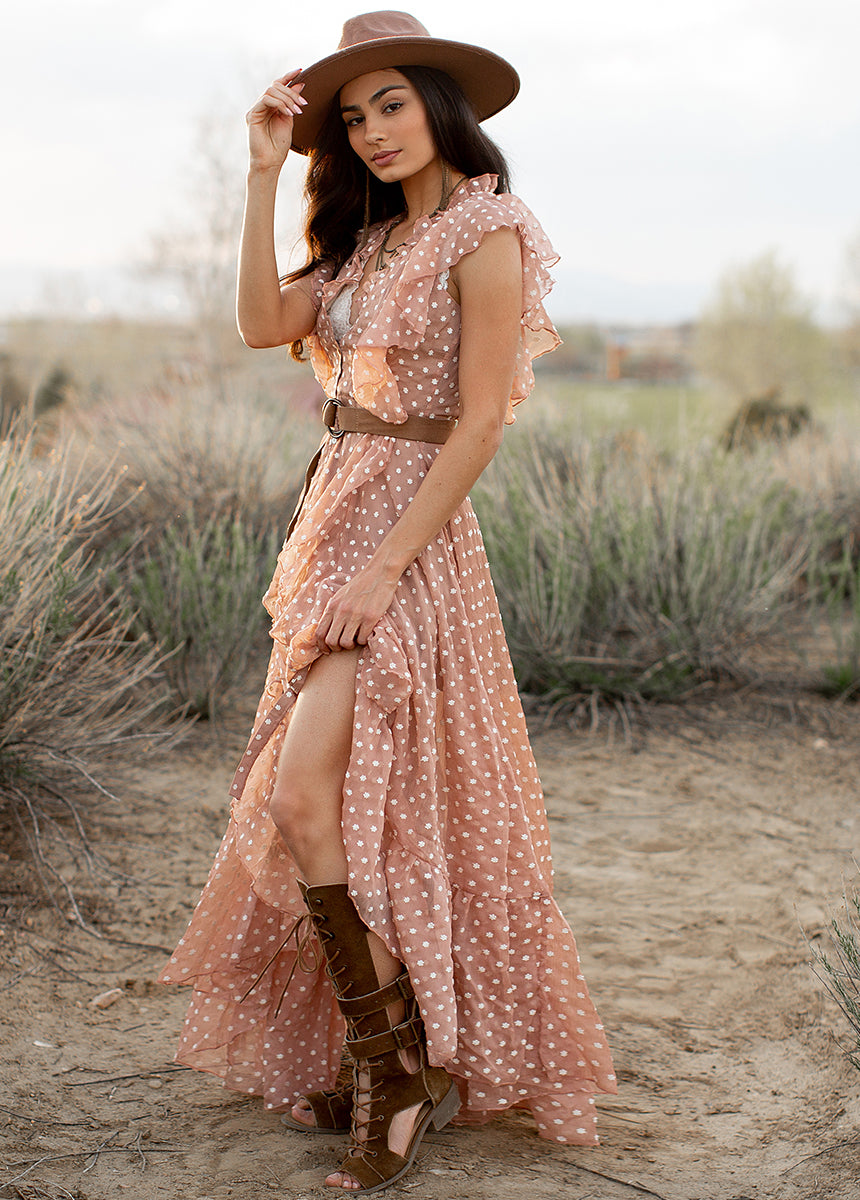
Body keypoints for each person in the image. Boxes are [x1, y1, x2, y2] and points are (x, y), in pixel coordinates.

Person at [159, 11, 616, 1194]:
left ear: (439, 106)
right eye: (350, 119)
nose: (369, 133)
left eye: (389, 106)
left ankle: (394, 1070)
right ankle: (391, 1053)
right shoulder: (362, 249)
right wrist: (262, 171)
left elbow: (474, 427)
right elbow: (263, 324)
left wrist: (384, 569)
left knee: (307, 789)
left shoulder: (484, 226)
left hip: (408, 543)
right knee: (313, 799)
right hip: (332, 526)